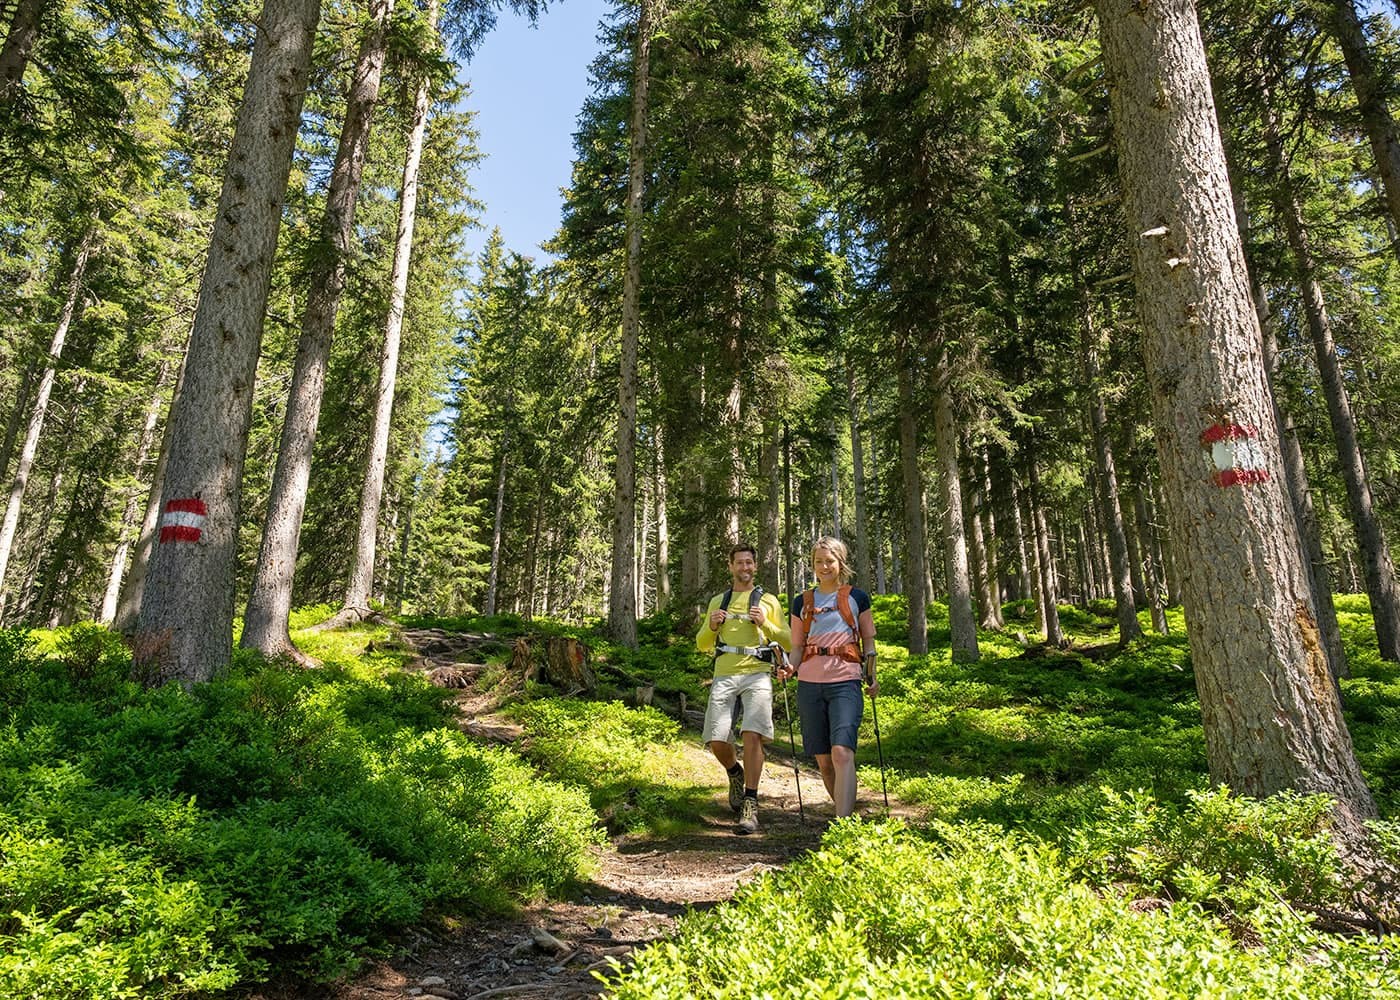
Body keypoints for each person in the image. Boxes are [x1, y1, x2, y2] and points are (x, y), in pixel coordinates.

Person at [777, 536, 877, 819]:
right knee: (823, 760)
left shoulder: (857, 597)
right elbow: (797, 648)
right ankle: (844, 812)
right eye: (818, 561)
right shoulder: (802, 602)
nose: (824, 566)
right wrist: (789, 667)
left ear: (841, 563)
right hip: (809, 684)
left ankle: (842, 823)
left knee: (842, 751)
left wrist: (871, 675)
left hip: (845, 681)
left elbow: (868, 642)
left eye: (829, 561)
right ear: (812, 565)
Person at [695, 543, 792, 835]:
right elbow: (701, 644)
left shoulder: (769, 601)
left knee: (752, 733)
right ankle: (735, 773)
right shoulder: (718, 601)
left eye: (749, 562)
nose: (745, 568)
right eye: (739, 563)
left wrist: (766, 625)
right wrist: (711, 627)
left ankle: (751, 800)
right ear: (731, 567)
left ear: (755, 566)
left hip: (758, 673)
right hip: (725, 674)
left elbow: (787, 641)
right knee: (717, 738)